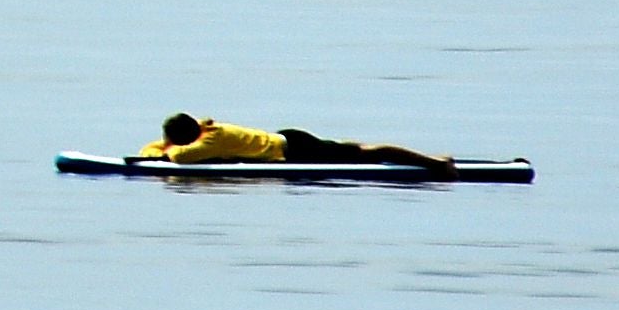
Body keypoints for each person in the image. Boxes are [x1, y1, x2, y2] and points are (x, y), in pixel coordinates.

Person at [148, 112, 452, 176]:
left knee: (366, 154)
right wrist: (162, 147)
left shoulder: (210, 139)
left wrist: (165, 149)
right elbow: (150, 151)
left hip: (294, 150)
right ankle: (431, 159)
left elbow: (180, 158)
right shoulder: (203, 132)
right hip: (287, 142)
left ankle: (435, 164)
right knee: (357, 151)